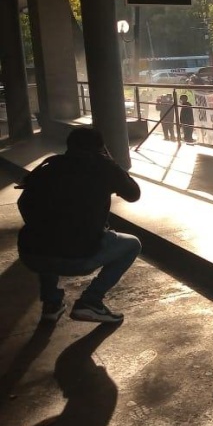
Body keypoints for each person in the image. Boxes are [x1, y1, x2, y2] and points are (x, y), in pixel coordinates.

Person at [16, 127, 142, 323]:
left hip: (31, 255)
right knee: (132, 244)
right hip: (78, 257)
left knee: (45, 233)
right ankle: (91, 301)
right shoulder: (104, 167)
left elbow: (23, 203)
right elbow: (134, 194)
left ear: (69, 146)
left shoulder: (49, 166)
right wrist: (111, 162)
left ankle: (51, 304)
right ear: (101, 147)